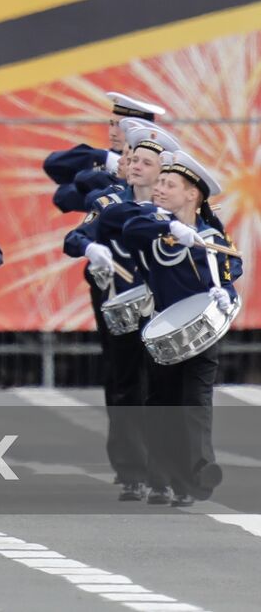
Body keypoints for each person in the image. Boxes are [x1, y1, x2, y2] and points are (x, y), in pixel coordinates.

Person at [64, 122, 180, 501]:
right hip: (124, 303)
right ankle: (132, 470)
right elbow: (74, 237)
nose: (134, 166)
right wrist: (91, 250)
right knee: (125, 380)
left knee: (162, 386)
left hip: (164, 304)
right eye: (132, 159)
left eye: (145, 162)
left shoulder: (175, 206)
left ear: (163, 170)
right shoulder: (110, 201)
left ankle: (162, 470)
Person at [118, 150, 241, 507]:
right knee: (162, 403)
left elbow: (233, 267)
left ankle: (199, 470)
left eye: (169, 185)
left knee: (196, 401)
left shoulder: (211, 234)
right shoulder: (150, 225)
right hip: (163, 328)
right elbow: (127, 227)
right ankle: (161, 478)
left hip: (202, 332)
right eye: (159, 183)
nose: (159, 189)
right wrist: (170, 227)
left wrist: (224, 291)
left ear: (192, 195)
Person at [44, 92, 165, 214]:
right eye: (111, 124)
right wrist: (102, 157)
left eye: (120, 126)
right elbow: (61, 190)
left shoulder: (161, 163)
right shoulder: (108, 158)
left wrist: (103, 172)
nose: (113, 132)